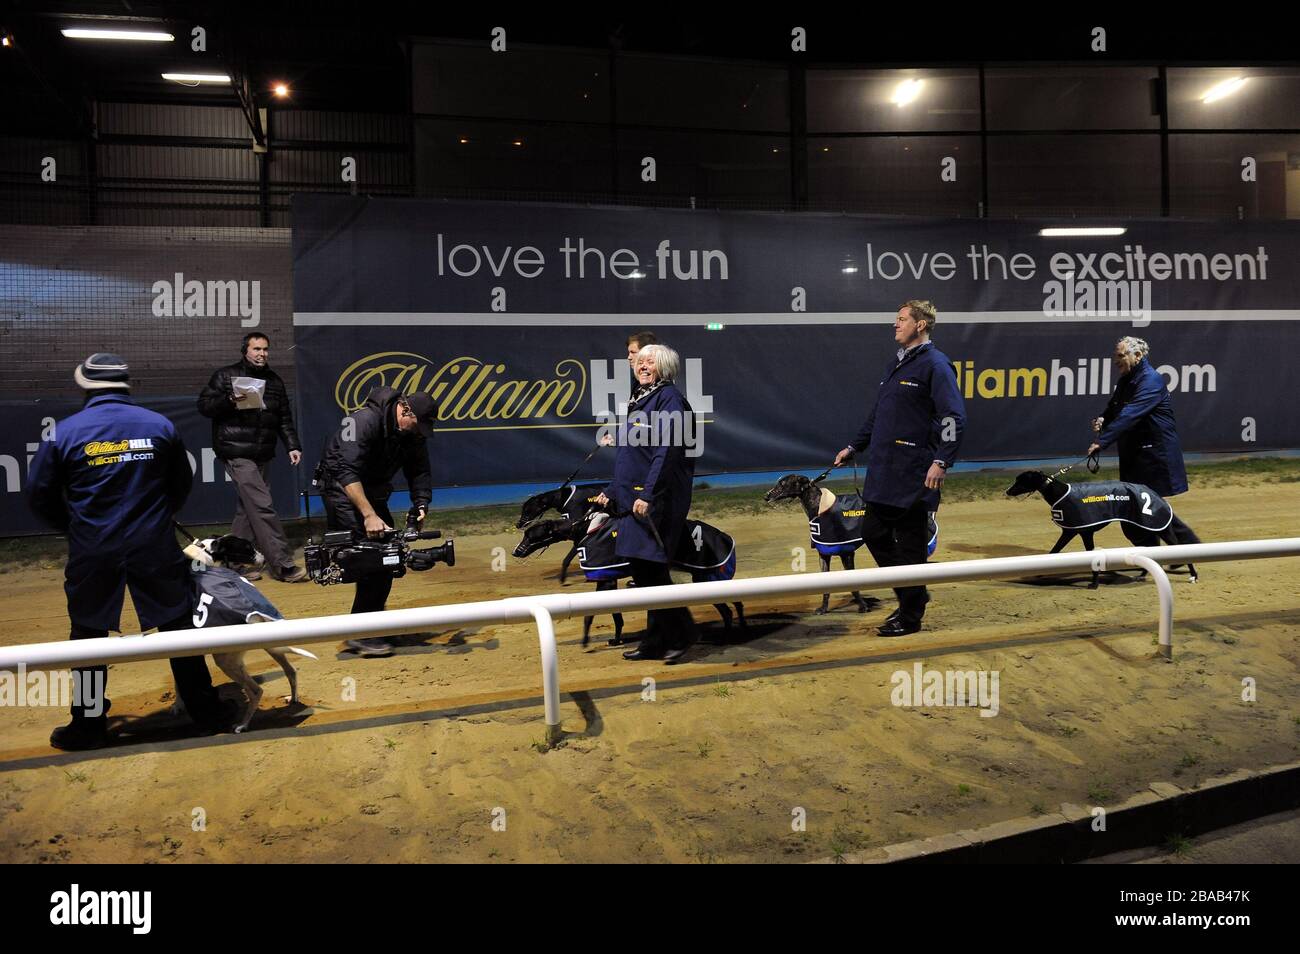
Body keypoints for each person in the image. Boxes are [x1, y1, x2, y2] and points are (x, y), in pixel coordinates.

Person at [28, 353, 226, 750]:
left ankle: (87, 725)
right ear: (126, 385)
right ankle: (205, 712)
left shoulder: (64, 432)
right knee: (177, 626)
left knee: (87, 634)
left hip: (93, 548)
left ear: (84, 386)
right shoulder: (159, 425)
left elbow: (39, 493)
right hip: (152, 543)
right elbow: (181, 483)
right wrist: (156, 516)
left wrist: (75, 528)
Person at [833, 300, 966, 637]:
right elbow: (879, 415)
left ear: (920, 325)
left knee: (910, 546)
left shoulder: (936, 365)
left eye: (902, 319)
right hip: (884, 471)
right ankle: (914, 593)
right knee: (872, 534)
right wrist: (854, 446)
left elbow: (954, 417)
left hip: (914, 474)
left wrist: (942, 460)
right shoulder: (898, 364)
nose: (895, 325)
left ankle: (910, 615)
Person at [595, 343, 699, 664]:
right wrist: (612, 491)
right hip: (633, 500)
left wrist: (648, 494)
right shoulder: (640, 400)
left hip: (655, 501)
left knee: (653, 572)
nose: (642, 366)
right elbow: (632, 456)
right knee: (643, 573)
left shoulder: (670, 400)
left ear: (664, 368)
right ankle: (654, 640)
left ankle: (682, 635)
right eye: (639, 362)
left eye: (649, 362)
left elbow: (667, 451)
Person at [315, 386, 436, 657]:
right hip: (343, 490)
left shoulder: (411, 432)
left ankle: (372, 623)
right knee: (372, 557)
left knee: (388, 555)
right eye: (418, 425)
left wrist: (421, 504)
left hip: (372, 490)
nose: (420, 432)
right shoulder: (363, 421)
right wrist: (369, 515)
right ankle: (362, 633)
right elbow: (345, 471)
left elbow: (419, 470)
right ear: (405, 410)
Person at [197, 333, 306, 582]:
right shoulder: (226, 376)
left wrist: (293, 445)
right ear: (245, 350)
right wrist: (228, 400)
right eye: (256, 349)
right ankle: (282, 564)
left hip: (262, 453)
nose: (262, 353)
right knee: (262, 506)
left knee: (247, 509)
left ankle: (234, 561)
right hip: (235, 452)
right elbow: (204, 406)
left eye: (265, 349)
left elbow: (284, 419)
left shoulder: (275, 382)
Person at [1088, 336, 1188, 498]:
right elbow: (1114, 408)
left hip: (1154, 455)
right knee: (1133, 503)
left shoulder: (1151, 380)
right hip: (1134, 453)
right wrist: (1102, 419)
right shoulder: (1126, 380)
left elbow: (1130, 414)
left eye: (1121, 356)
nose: (1116, 360)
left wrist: (1102, 441)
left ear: (1138, 355)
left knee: (1152, 507)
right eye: (1116, 356)